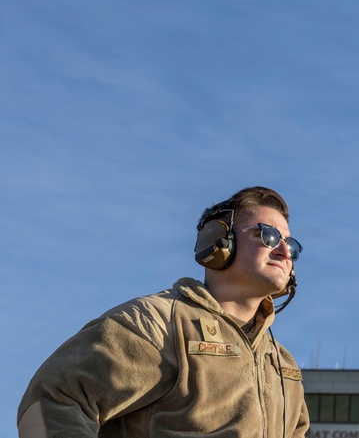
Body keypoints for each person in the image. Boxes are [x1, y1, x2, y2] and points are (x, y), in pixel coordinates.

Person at [17, 186, 310, 438]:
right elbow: (54, 397)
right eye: (269, 236)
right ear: (218, 240)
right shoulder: (155, 323)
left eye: (291, 245)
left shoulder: (283, 365)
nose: (285, 251)